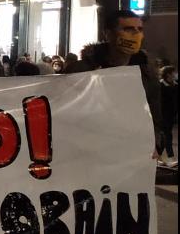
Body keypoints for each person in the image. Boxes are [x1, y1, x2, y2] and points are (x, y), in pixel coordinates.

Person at [67, 10, 166, 162]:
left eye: (139, 29)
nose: (135, 34)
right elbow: (66, 116)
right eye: (127, 29)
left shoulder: (147, 74)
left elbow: (155, 118)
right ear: (108, 34)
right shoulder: (82, 70)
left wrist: (156, 145)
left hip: (130, 157)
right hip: (87, 155)